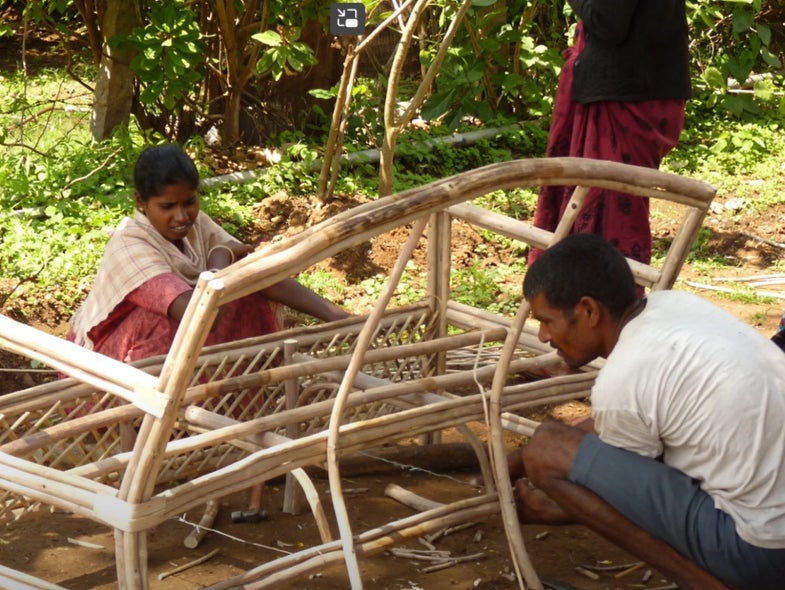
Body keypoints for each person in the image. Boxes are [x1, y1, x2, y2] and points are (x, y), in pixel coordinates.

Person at [506, 233, 785, 590]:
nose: (544, 336)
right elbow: (623, 425)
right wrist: (513, 460)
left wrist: (558, 509)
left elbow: (624, 502)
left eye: (547, 321)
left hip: (762, 554)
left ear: (589, 311)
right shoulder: (674, 306)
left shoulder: (622, 378)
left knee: (548, 450)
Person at [68, 143, 350, 363]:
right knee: (166, 320)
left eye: (189, 202)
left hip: (169, 357)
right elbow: (201, 315)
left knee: (246, 284)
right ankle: (161, 419)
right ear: (141, 202)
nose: (182, 216)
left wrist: (338, 318)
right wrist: (218, 263)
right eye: (167, 207)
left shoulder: (197, 225)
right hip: (107, 376)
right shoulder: (131, 246)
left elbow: (256, 271)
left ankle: (235, 392)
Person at [528, 0, 692, 267]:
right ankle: (584, 294)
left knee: (610, 208)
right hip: (635, 89)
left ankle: (604, 299)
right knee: (607, 202)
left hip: (626, 96)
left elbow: (608, 21)